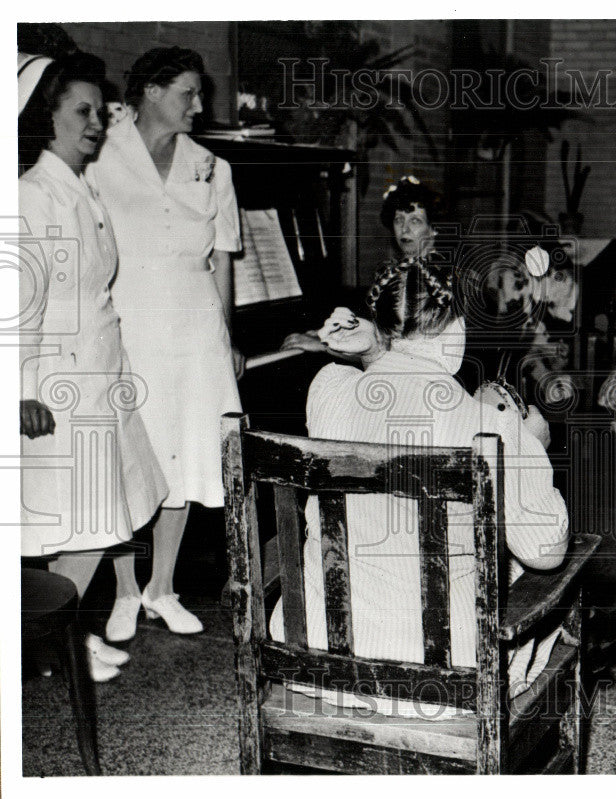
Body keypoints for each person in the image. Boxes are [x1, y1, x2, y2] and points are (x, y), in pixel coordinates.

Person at [269, 252, 570, 708]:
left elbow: (382, 388)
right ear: (459, 329)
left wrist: (375, 347)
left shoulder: (326, 389)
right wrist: (532, 448)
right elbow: (547, 552)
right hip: (440, 680)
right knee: (527, 561)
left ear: (385, 327)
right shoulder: (491, 426)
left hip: (316, 658)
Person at [18, 52, 168, 680]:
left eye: (100, 111)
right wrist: (24, 389)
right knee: (73, 519)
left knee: (95, 519)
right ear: (43, 116)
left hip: (100, 374)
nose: (96, 123)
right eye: (81, 111)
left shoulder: (83, 187)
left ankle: (69, 634)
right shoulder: (31, 195)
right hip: (58, 383)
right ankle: (53, 643)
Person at [86, 47, 243, 640]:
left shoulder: (213, 167)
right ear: (151, 92)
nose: (200, 106)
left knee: (185, 455)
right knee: (130, 456)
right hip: (127, 320)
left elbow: (222, 259)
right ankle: (125, 590)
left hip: (195, 325)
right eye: (188, 94)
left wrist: (227, 335)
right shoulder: (102, 151)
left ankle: (162, 587)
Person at [281, 175, 442, 355]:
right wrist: (338, 334)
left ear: (433, 227)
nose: (404, 229)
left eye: (415, 220)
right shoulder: (400, 272)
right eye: (398, 220)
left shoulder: (436, 278)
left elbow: (402, 353)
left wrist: (327, 346)